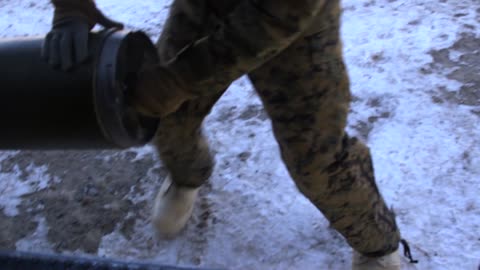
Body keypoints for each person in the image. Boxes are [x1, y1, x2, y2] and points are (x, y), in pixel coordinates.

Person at [42, 0, 417, 269]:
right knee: (166, 120)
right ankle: (189, 176)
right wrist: (71, 5)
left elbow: (280, 14)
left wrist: (179, 79)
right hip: (204, 7)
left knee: (316, 158)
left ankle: (376, 244)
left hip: (293, 19)